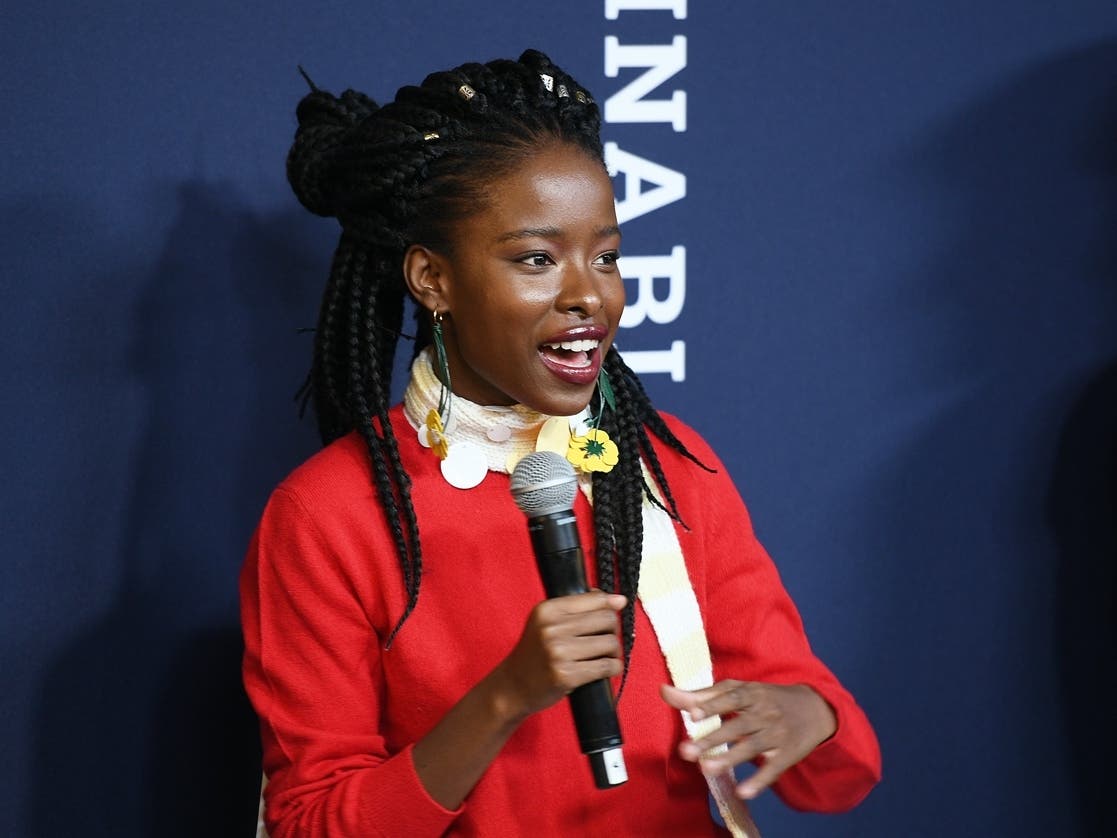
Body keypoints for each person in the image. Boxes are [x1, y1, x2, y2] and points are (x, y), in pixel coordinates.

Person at [240, 49, 881, 837]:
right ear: (431, 278)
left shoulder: (670, 462)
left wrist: (804, 714)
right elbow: (310, 824)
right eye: (536, 259)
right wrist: (504, 696)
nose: (588, 294)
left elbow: (839, 765)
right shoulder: (327, 513)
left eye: (605, 256)